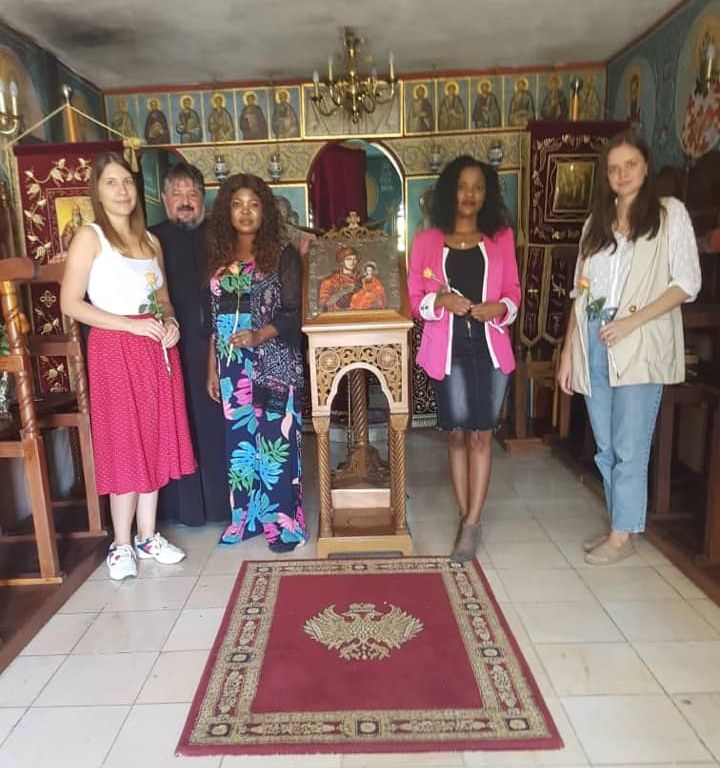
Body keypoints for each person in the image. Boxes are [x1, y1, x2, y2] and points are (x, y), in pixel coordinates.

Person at [556, 130, 702, 565]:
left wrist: (630, 322)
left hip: (638, 337)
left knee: (629, 446)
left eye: (630, 165)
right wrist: (568, 352)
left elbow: (686, 283)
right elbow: (580, 293)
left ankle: (622, 535)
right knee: (605, 445)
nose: (621, 175)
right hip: (594, 335)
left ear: (646, 166)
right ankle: (621, 524)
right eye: (614, 168)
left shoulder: (669, 214)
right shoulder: (595, 224)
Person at [60, 151, 193, 580]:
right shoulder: (91, 237)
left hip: (154, 347)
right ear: (97, 193)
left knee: (153, 437)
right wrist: (129, 325)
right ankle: (120, 543)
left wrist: (170, 323)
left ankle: (148, 536)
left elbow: (164, 297)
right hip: (115, 349)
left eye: (127, 182)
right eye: (111, 183)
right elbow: (70, 303)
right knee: (125, 441)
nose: (122, 191)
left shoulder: (150, 241)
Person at [408, 155, 521, 562]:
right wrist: (440, 302)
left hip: (489, 349)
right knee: (457, 433)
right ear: (449, 192)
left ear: (487, 194)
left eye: (477, 186)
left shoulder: (501, 237)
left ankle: (472, 524)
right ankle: (465, 513)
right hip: (448, 350)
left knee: (481, 434)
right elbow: (414, 301)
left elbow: (513, 291)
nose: (469, 194)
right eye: (461, 186)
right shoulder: (427, 241)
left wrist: (500, 308)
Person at [206, 173, 306, 552]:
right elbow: (214, 319)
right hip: (232, 368)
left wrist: (258, 336)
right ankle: (245, 518)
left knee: (276, 441)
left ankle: (282, 523)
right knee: (241, 443)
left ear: (265, 210)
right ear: (227, 212)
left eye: (253, 204)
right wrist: (213, 368)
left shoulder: (282, 254)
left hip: (274, 364)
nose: (245, 212)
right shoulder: (220, 258)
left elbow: (293, 313)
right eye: (237, 204)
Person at [151, 162, 228, 527]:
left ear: (203, 197)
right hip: (169, 349)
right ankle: (183, 511)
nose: (185, 201)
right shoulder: (150, 240)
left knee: (216, 428)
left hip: (216, 346)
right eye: (177, 193)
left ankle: (223, 507)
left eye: (192, 193)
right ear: (164, 199)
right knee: (176, 427)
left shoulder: (220, 237)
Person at [318, 246, 361, 311]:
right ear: (342, 261)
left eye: (355, 259)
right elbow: (324, 304)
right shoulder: (330, 281)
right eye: (348, 259)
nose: (352, 262)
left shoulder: (362, 279)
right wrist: (342, 294)